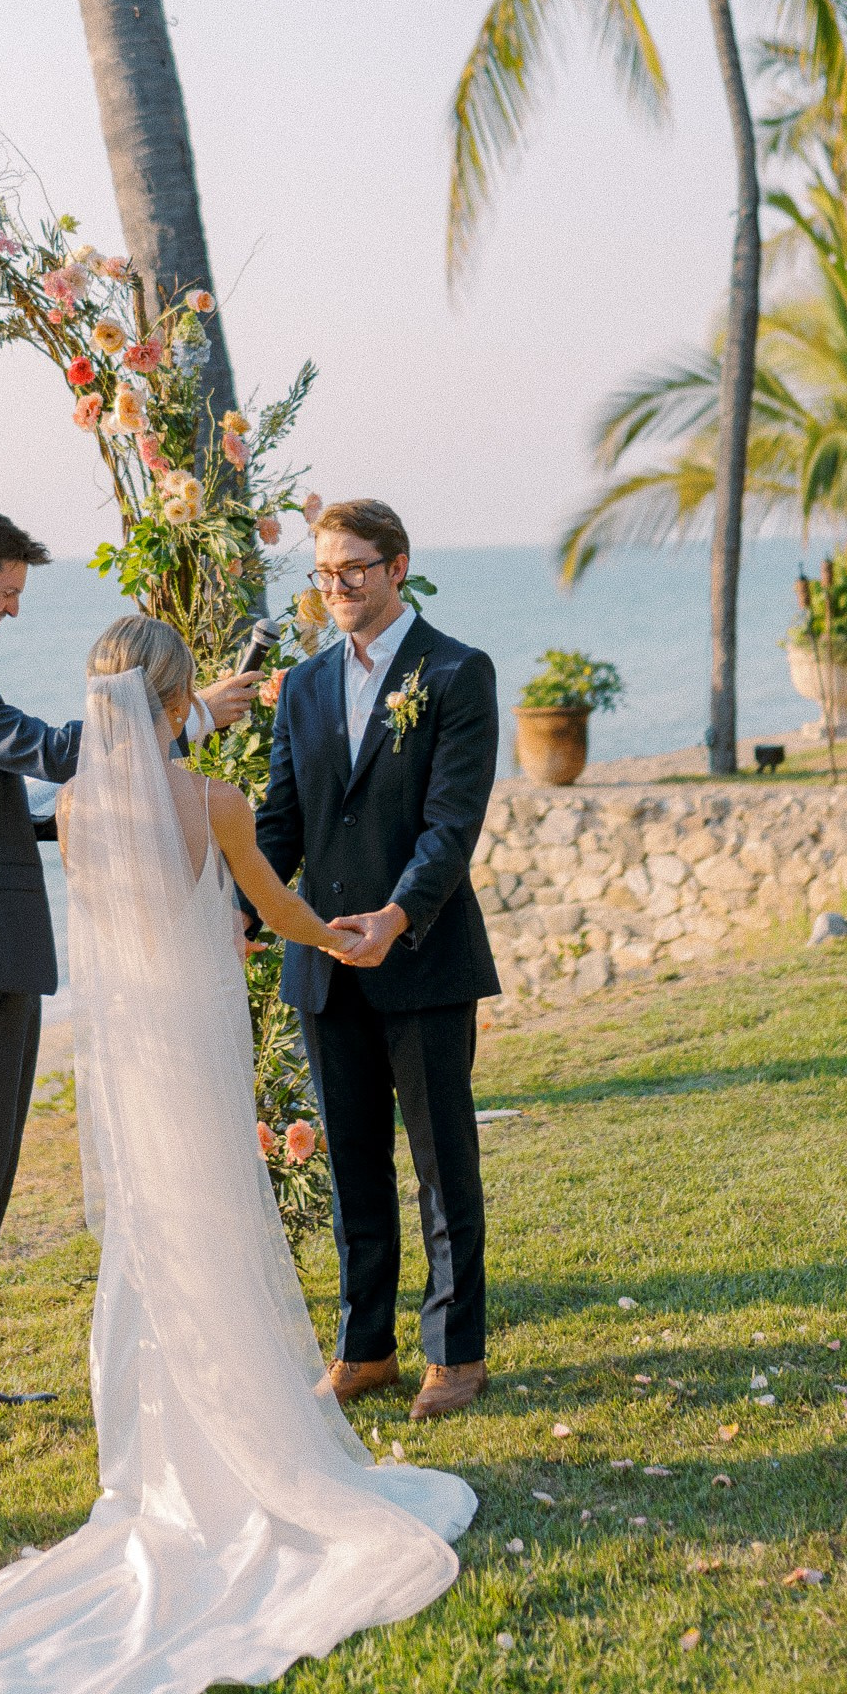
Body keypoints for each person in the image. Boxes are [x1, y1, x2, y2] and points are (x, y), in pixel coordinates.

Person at [0, 618, 475, 1694]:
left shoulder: (83, 813)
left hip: (129, 1059)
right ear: (177, 695)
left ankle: (164, 1463)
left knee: (156, 1239)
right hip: (196, 1046)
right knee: (219, 1226)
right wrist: (344, 941)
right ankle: (251, 1446)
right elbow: (271, 909)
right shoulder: (211, 803)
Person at [0, 507, 255, 1457]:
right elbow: (45, 751)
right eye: (6, 593)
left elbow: (1, 803)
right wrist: (186, 712)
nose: (10, 613)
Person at [257, 498, 500, 1423]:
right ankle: (366, 1349)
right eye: (324, 572)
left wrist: (398, 915)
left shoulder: (456, 672)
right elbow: (281, 820)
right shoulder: (306, 683)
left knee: (443, 1163)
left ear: (398, 567)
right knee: (352, 1162)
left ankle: (456, 1352)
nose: (339, 587)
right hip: (323, 962)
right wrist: (245, 909)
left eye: (355, 568)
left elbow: (452, 823)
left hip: (423, 956)